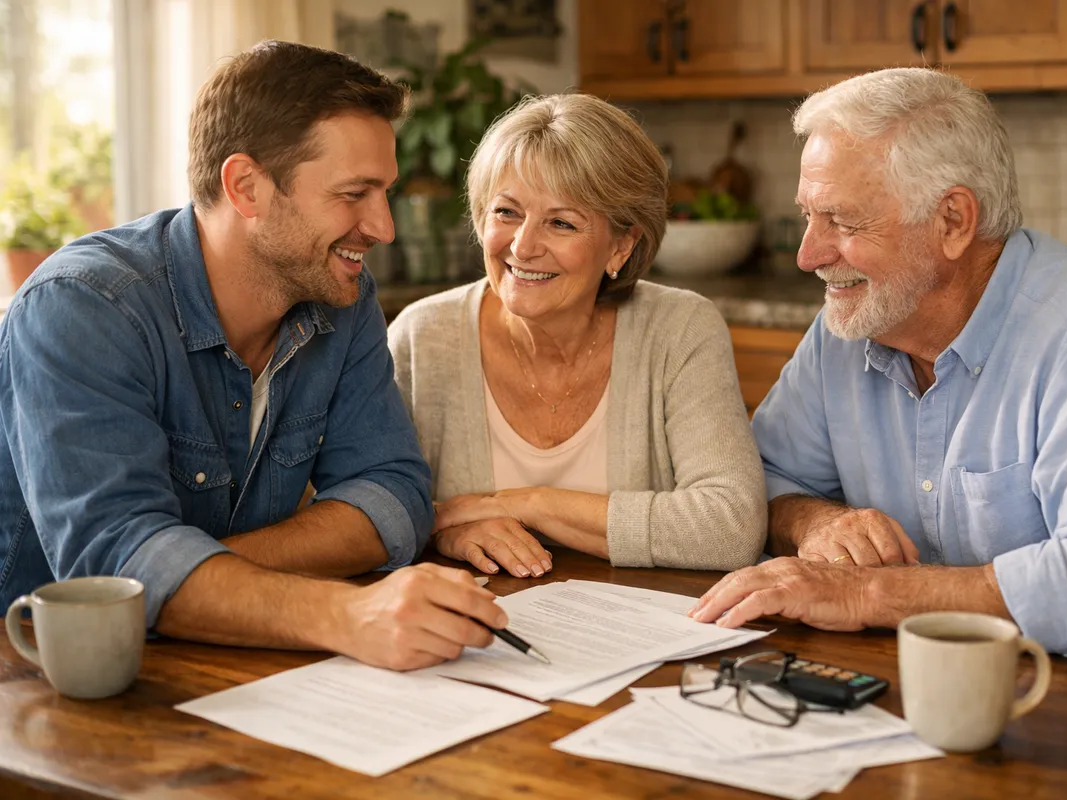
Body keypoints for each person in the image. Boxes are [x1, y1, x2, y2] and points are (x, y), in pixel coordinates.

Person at [0, 41, 507, 671]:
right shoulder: (83, 306)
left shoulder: (341, 296)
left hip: (225, 668)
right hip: (43, 686)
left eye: (385, 193)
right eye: (354, 194)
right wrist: (344, 614)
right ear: (246, 186)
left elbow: (392, 496)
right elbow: (119, 565)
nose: (383, 227)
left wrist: (203, 574)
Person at [689, 67, 1067, 658]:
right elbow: (761, 482)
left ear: (953, 220)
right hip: (909, 682)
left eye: (844, 221)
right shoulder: (852, 324)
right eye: (808, 215)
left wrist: (867, 593)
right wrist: (816, 523)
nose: (809, 255)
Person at [387, 93, 767, 578]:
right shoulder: (422, 337)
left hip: (647, 629)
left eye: (561, 222)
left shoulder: (680, 329)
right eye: (506, 212)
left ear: (621, 245)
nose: (523, 246)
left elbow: (730, 527)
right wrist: (443, 529)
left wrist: (528, 505)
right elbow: (374, 508)